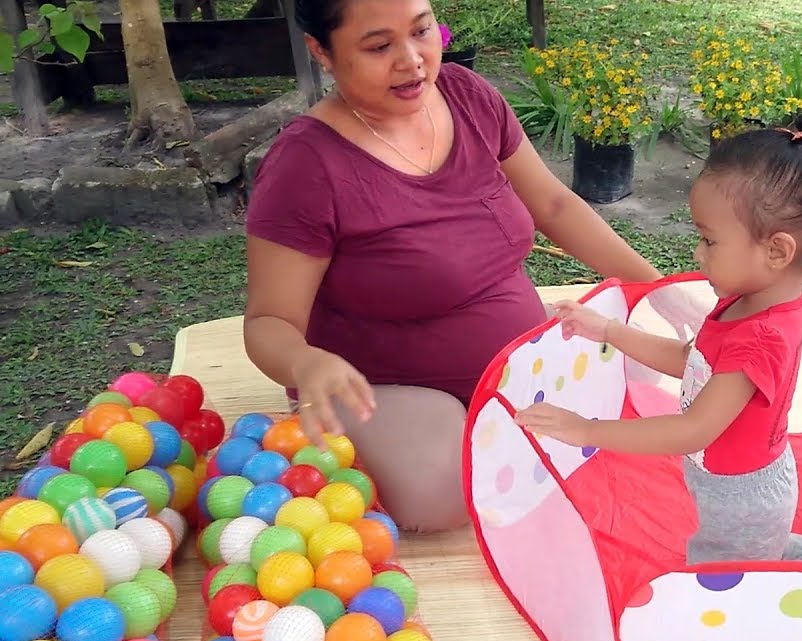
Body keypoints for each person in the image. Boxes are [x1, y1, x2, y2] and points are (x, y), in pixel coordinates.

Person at [241, 0, 702, 534]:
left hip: (517, 362)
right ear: (321, 51)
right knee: (447, 491)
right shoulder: (306, 164)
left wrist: (654, 286)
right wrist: (306, 365)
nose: (412, 60)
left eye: (421, 31)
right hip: (389, 387)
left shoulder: (466, 94)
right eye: (378, 46)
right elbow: (268, 324)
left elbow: (552, 204)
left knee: (643, 371)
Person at [515, 113, 802, 565]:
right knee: (765, 553)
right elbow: (694, 361)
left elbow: (694, 429)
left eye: (709, 240)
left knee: (722, 576)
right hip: (735, 483)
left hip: (741, 496)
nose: (698, 254)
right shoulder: (748, 301)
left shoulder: (761, 337)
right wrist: (608, 331)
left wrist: (584, 430)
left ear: (777, 251)